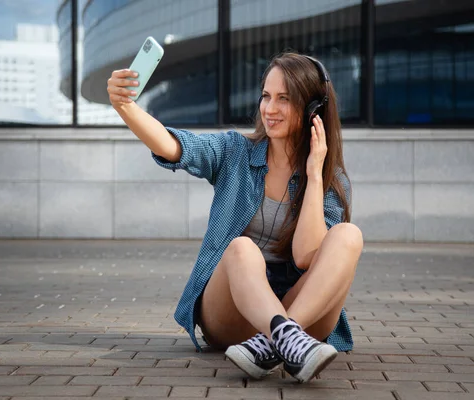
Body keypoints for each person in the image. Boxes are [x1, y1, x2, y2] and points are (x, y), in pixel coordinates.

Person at [106, 51, 363, 384]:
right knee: (241, 248)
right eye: (266, 96)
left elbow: (305, 256)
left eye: (284, 99)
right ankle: (285, 337)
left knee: (348, 235)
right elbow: (175, 147)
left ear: (313, 108)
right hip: (234, 309)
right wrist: (125, 107)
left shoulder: (331, 180)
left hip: (302, 307)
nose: (269, 109)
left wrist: (314, 176)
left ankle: (277, 338)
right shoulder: (234, 151)